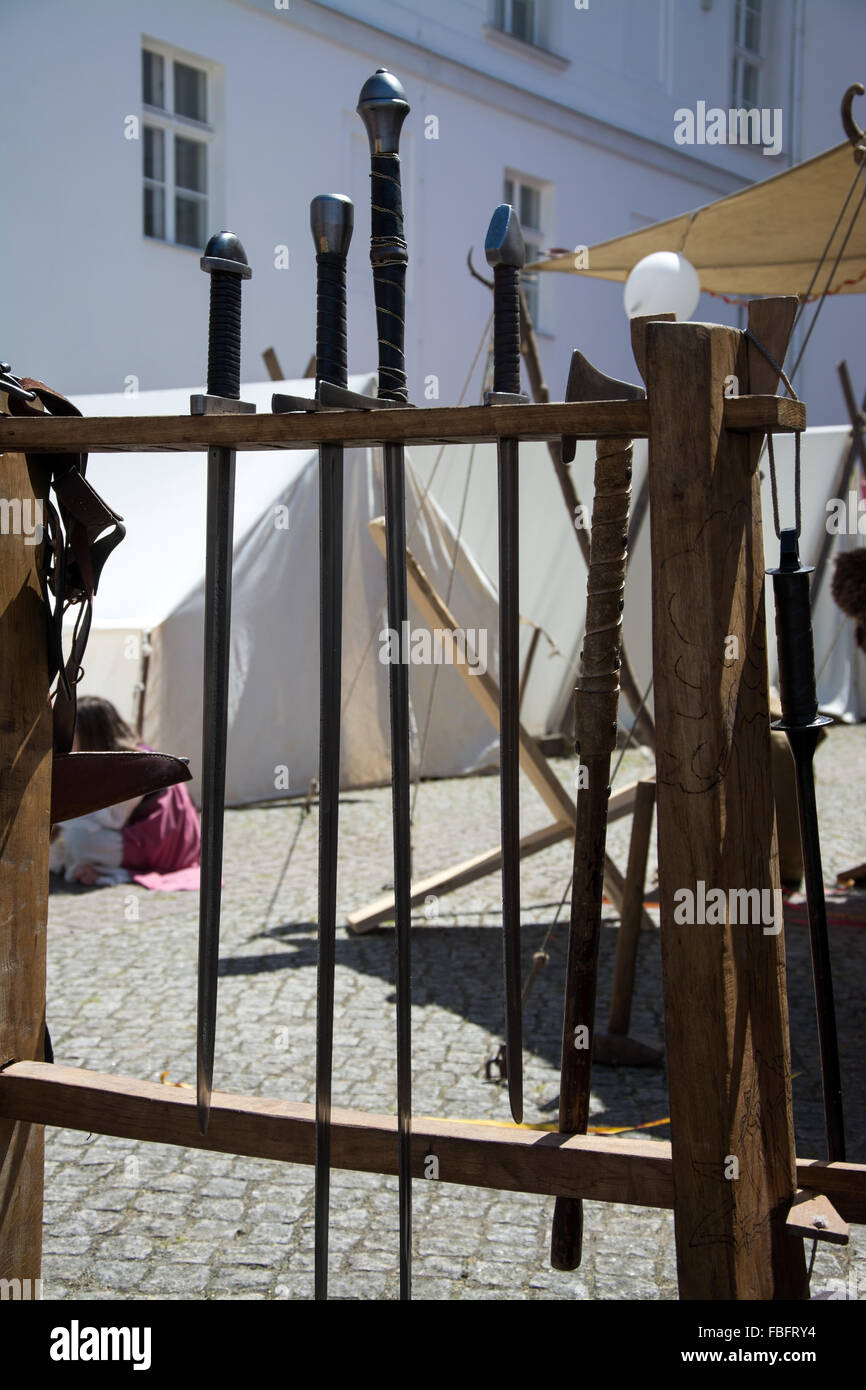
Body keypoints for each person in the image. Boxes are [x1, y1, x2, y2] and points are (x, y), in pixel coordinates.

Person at [50, 696, 201, 890]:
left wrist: (59, 821)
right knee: (59, 844)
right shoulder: (109, 763)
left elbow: (111, 819)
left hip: (155, 844)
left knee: (76, 841)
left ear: (91, 735)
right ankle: (89, 866)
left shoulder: (134, 767)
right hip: (128, 834)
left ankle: (104, 869)